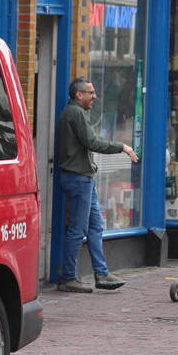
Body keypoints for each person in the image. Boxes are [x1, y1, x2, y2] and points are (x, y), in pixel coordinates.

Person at [57, 77, 139, 293]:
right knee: (78, 229)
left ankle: (101, 273)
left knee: (95, 226)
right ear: (79, 95)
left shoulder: (75, 113)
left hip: (84, 178)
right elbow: (92, 142)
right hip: (78, 179)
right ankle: (68, 277)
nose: (95, 96)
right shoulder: (74, 113)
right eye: (90, 92)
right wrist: (122, 147)